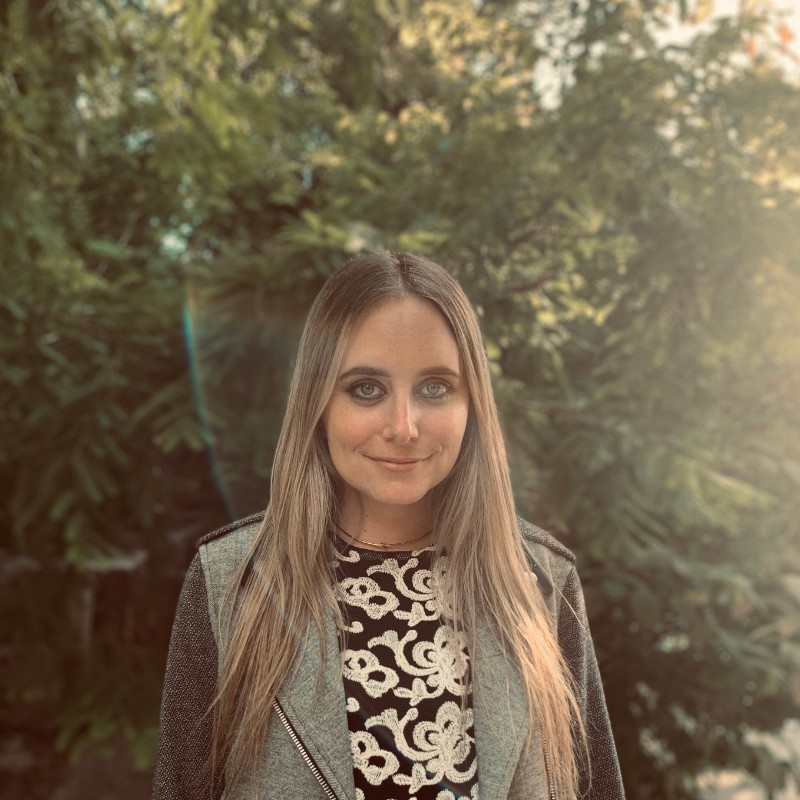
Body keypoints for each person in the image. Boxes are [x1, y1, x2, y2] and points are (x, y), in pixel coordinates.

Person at [152, 252, 625, 800]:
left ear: (472, 405)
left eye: (434, 388)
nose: (403, 428)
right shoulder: (232, 582)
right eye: (366, 389)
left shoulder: (541, 582)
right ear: (318, 403)